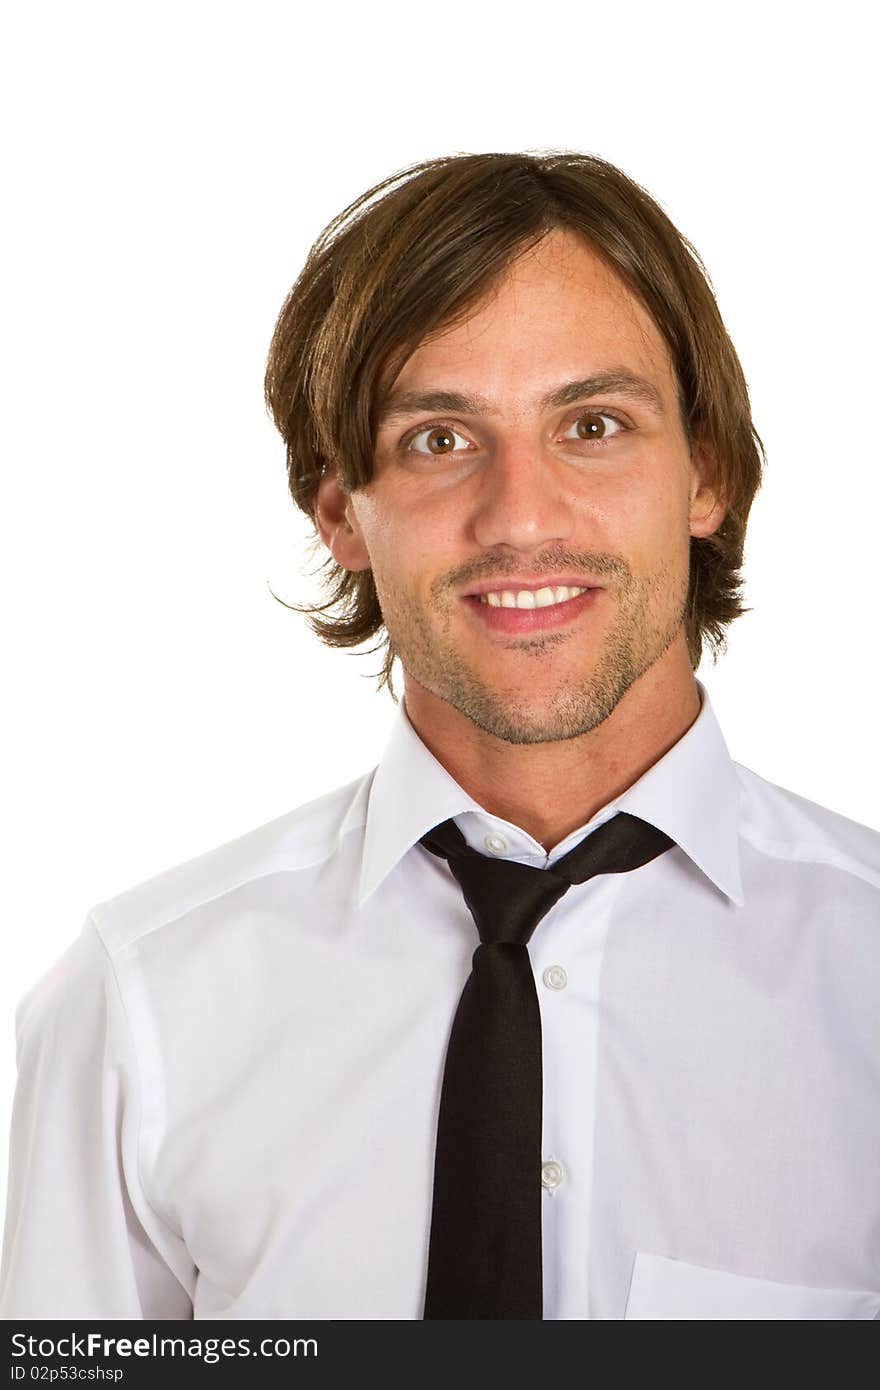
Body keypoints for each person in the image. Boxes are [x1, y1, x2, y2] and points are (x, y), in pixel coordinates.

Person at [2, 152, 879, 1323]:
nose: (520, 515)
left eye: (594, 423)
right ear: (338, 510)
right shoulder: (142, 1005)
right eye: (438, 439)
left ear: (706, 473)